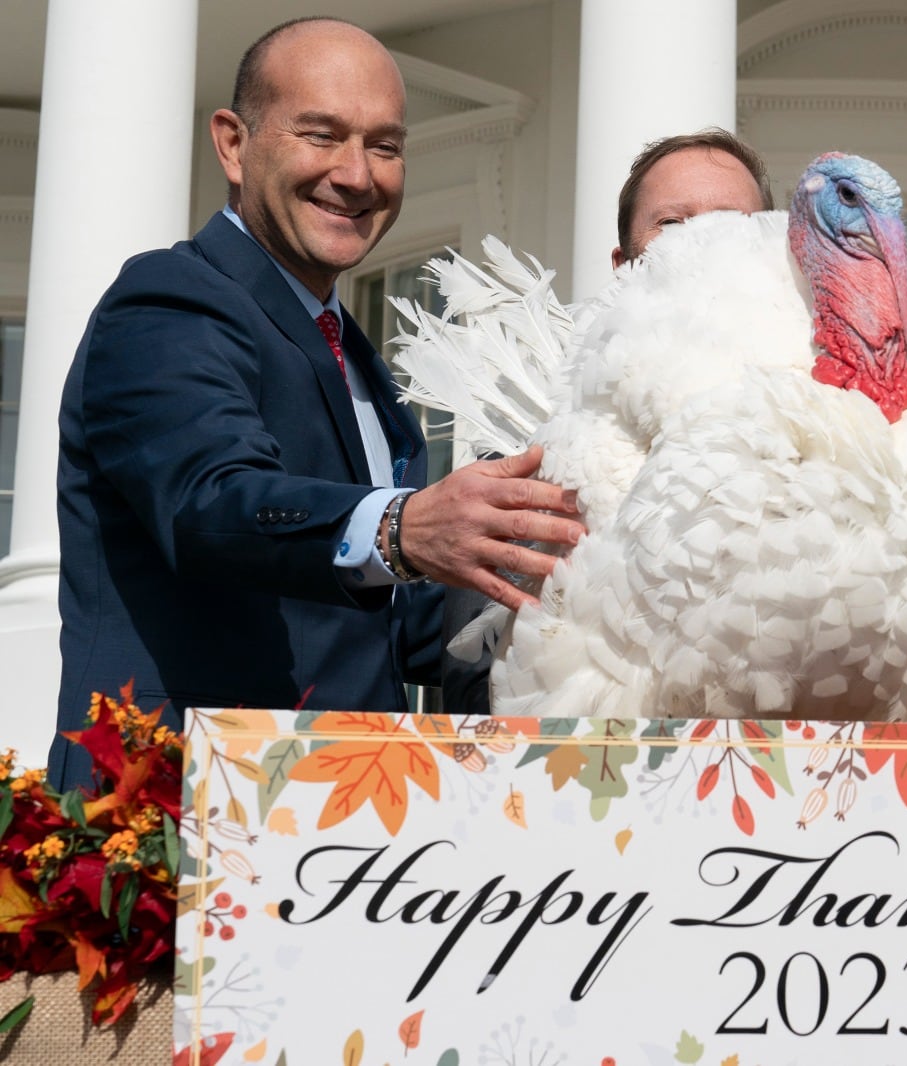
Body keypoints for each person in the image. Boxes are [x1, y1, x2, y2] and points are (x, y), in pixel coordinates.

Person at [51, 17, 584, 787]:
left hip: (335, 820)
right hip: (174, 807)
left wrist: (560, 588)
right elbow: (211, 502)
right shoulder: (170, 300)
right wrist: (405, 527)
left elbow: (380, 630)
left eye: (385, 145)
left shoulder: (355, 364)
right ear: (234, 143)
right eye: (322, 134)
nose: (357, 174)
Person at [440, 128, 772, 713]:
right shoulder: (530, 466)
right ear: (623, 266)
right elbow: (477, 689)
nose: (704, 247)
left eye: (732, 225)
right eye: (673, 225)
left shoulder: (852, 445)